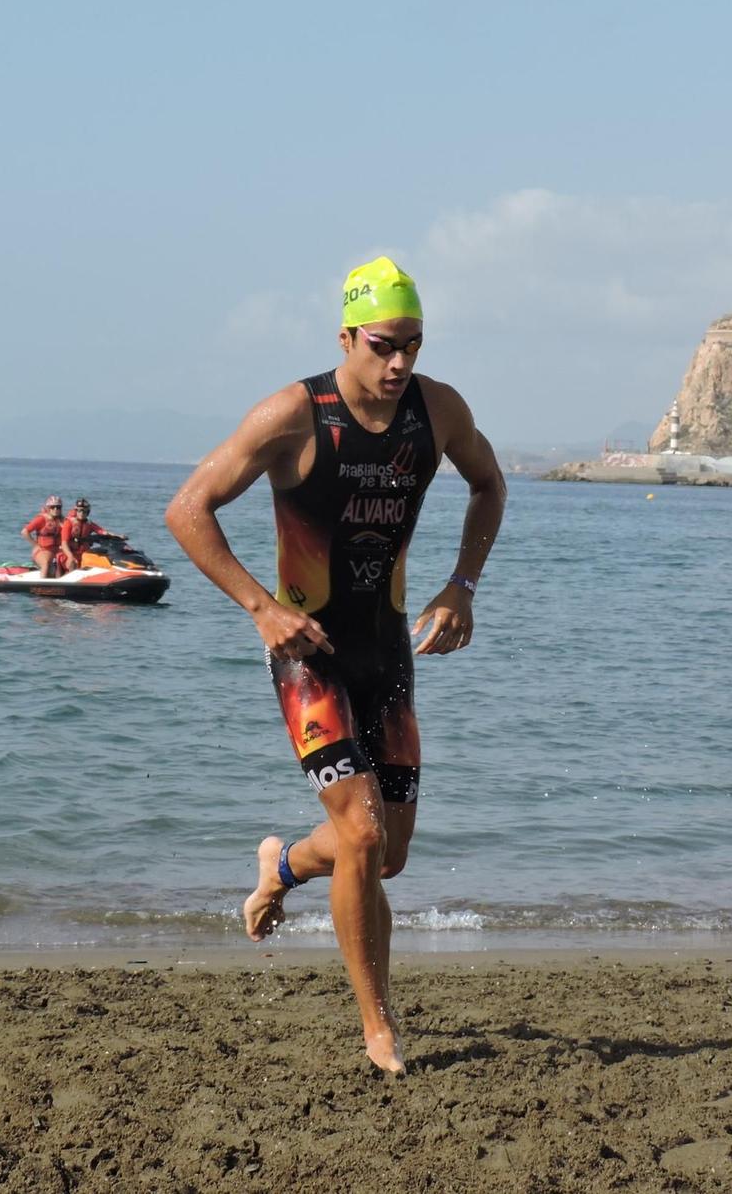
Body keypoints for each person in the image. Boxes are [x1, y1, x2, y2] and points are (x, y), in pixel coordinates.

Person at [166, 257, 506, 1075]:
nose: (399, 366)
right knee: (358, 832)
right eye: (385, 346)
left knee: (385, 855)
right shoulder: (294, 415)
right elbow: (187, 509)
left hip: (386, 651)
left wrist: (462, 586)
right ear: (347, 337)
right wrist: (262, 608)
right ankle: (378, 1028)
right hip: (307, 657)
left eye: (413, 348)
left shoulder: (439, 412)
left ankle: (281, 865)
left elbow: (488, 484)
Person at [20, 496, 71, 577]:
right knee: (46, 564)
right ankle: (42, 586)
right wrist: (35, 545)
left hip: (57, 550)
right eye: (52, 507)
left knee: (70, 562)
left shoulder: (64, 521)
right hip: (42, 550)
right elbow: (24, 532)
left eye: (58, 507)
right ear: (48, 508)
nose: (55, 509)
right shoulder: (41, 519)